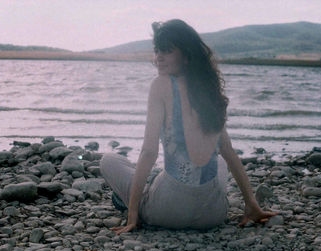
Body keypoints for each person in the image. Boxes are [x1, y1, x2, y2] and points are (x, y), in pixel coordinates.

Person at [100, 19, 277, 234]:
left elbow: (148, 152)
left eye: (167, 51)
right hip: (212, 215)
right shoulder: (210, 91)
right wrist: (251, 206)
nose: (159, 58)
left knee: (109, 160)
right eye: (157, 51)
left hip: (168, 211)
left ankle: (130, 202)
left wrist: (133, 218)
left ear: (186, 55)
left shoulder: (161, 85)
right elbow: (228, 151)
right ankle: (152, 186)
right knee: (220, 162)